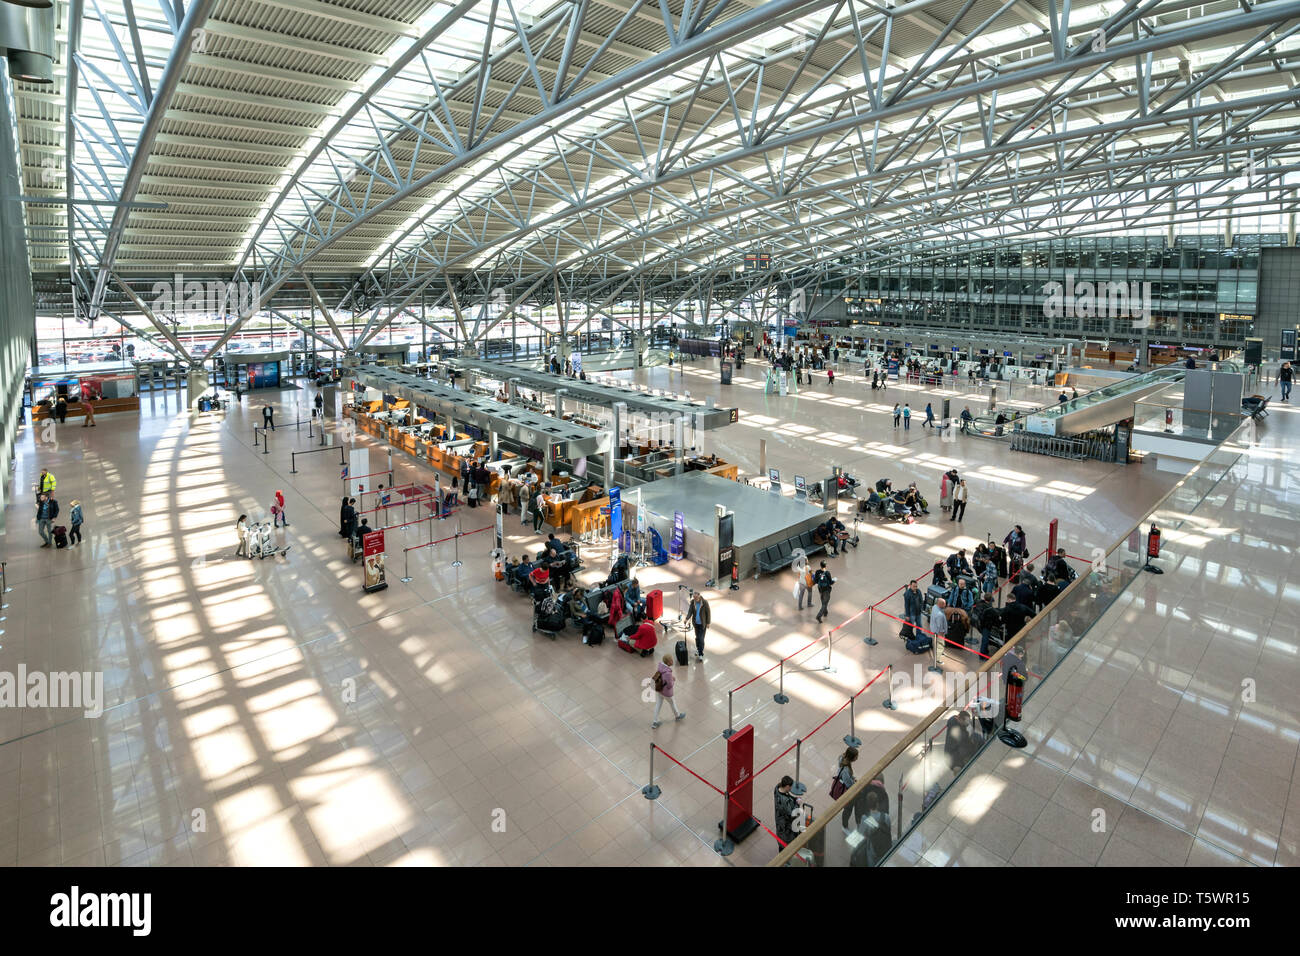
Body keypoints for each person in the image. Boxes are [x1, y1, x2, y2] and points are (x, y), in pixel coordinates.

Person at [649, 654, 685, 728]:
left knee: (658, 705)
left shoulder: (661, 667)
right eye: (671, 660)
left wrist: (670, 677)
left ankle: (655, 722)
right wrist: (673, 680)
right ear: (668, 662)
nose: (672, 661)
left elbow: (663, 677)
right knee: (672, 703)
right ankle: (677, 716)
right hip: (666, 693)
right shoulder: (668, 673)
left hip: (659, 690)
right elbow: (669, 685)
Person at [835, 747, 859, 831]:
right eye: (856, 756)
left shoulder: (843, 759)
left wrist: (852, 777)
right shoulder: (846, 769)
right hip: (847, 791)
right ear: (851, 757)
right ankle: (844, 825)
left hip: (846, 780)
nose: (857, 758)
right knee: (848, 808)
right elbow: (849, 784)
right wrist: (854, 782)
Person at [774, 776, 801, 849]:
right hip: (785, 827)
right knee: (785, 844)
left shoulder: (777, 788)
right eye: (790, 787)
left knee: (781, 840)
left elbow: (787, 795)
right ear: (787, 786)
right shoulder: (784, 801)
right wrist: (797, 803)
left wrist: (794, 799)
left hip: (779, 821)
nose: (791, 789)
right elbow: (792, 814)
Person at [688, 591, 711, 661]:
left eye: (696, 597)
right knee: (697, 638)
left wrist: (708, 623)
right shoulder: (692, 602)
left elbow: (708, 613)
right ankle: (698, 649)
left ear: (699, 596)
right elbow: (690, 611)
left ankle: (701, 654)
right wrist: (686, 618)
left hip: (702, 624)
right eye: (694, 597)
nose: (695, 599)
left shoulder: (704, 602)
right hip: (696, 624)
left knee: (701, 639)